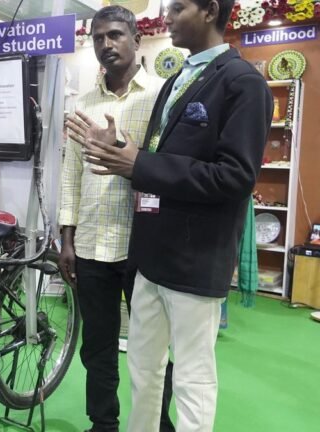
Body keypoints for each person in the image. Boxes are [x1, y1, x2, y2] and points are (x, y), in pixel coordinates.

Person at [76, 0, 272, 430]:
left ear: (210, 10)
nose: (166, 16)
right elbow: (163, 158)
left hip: (195, 260)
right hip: (150, 258)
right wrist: (121, 149)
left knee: (192, 378)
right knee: (144, 370)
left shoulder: (242, 83)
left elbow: (235, 177)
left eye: (178, 7)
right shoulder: (178, 80)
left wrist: (137, 163)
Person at [60, 6, 174, 432]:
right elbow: (71, 174)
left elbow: (168, 166)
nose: (106, 45)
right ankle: (103, 422)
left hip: (144, 243)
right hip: (90, 244)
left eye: (115, 36)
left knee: (151, 348)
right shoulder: (82, 104)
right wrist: (67, 238)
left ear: (136, 40)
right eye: (98, 38)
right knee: (98, 347)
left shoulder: (162, 96)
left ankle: (157, 423)